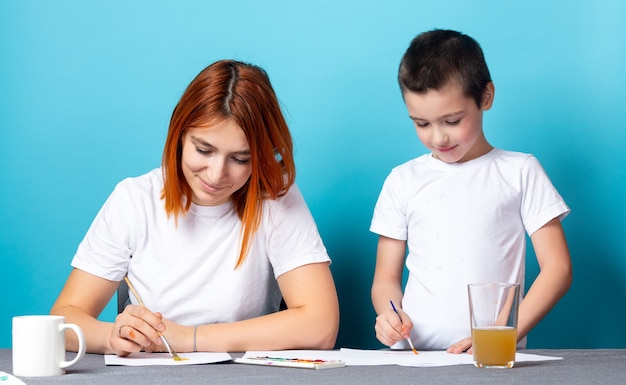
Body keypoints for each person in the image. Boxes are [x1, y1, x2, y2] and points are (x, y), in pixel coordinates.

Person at [51, 60, 340, 356]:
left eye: (240, 159)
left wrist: (188, 338)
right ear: (179, 135)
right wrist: (112, 336)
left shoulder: (274, 196)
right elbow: (61, 321)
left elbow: (321, 326)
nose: (216, 175)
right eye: (203, 150)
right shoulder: (134, 199)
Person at [370, 29, 572, 353]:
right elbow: (386, 278)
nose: (438, 138)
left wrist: (504, 333)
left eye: (452, 121)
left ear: (486, 97)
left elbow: (558, 268)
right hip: (414, 359)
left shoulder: (520, 172)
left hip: (492, 355)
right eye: (422, 124)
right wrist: (388, 313)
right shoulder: (402, 180)